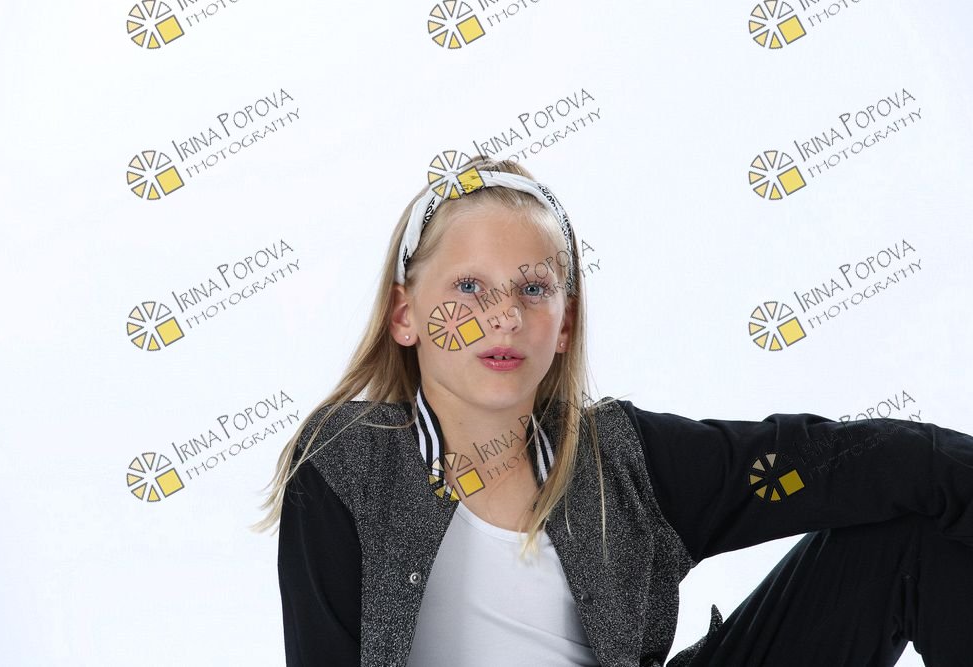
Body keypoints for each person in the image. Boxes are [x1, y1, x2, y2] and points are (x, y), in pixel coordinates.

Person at [252, 155, 973, 666]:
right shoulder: (348, 462)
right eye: (469, 287)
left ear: (564, 324)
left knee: (914, 533)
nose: (504, 316)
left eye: (533, 289)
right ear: (405, 314)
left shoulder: (620, 461)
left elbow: (828, 465)